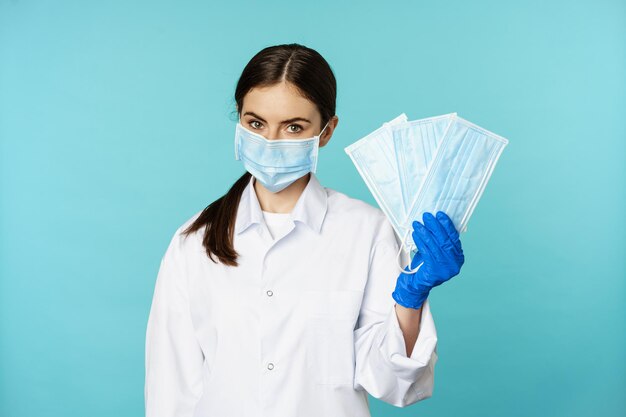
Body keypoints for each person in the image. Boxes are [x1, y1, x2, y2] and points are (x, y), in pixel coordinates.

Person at [144, 43, 465, 417]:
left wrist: (410, 300)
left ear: (326, 131)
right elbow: (171, 390)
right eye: (255, 123)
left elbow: (394, 385)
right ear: (240, 120)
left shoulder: (366, 231)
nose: (271, 141)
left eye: (294, 126)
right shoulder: (194, 241)